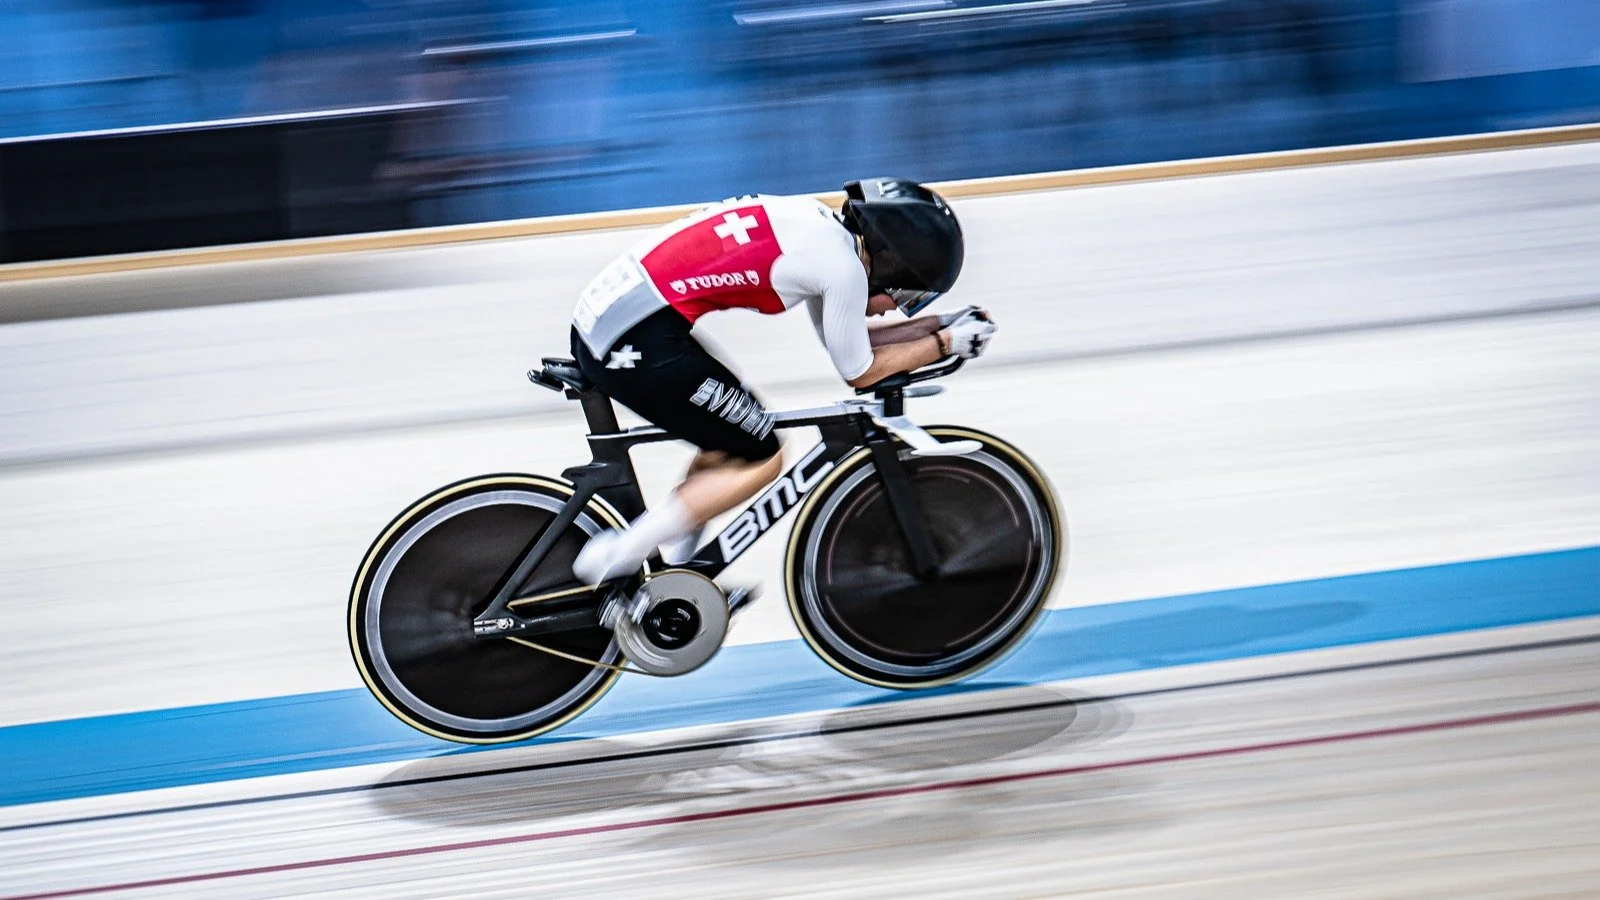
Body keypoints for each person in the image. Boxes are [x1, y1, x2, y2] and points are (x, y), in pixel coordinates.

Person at [569, 178, 998, 585]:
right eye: (906, 296)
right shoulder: (843, 270)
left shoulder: (824, 236)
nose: (895, 310)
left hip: (626, 322)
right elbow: (861, 371)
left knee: (731, 435)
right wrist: (945, 344)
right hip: (636, 339)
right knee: (763, 453)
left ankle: (675, 572)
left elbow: (852, 345)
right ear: (891, 263)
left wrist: (944, 326)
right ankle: (619, 556)